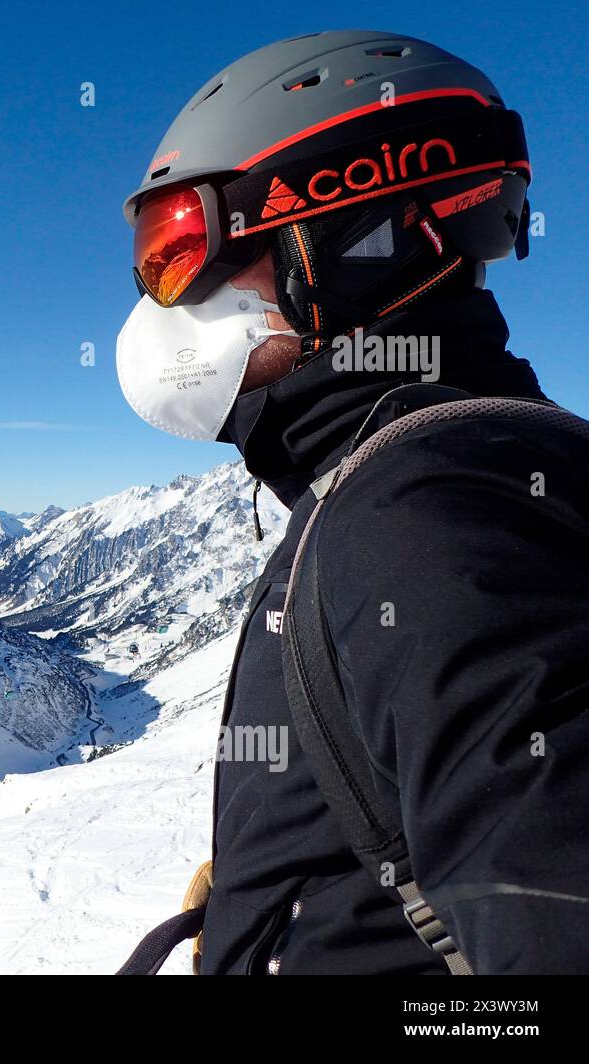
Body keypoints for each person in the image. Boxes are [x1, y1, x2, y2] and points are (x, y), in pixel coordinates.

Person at [115, 29, 589, 974]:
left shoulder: (430, 512)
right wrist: (286, 884)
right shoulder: (411, 472)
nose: (159, 299)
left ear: (349, 242)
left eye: (182, 248)